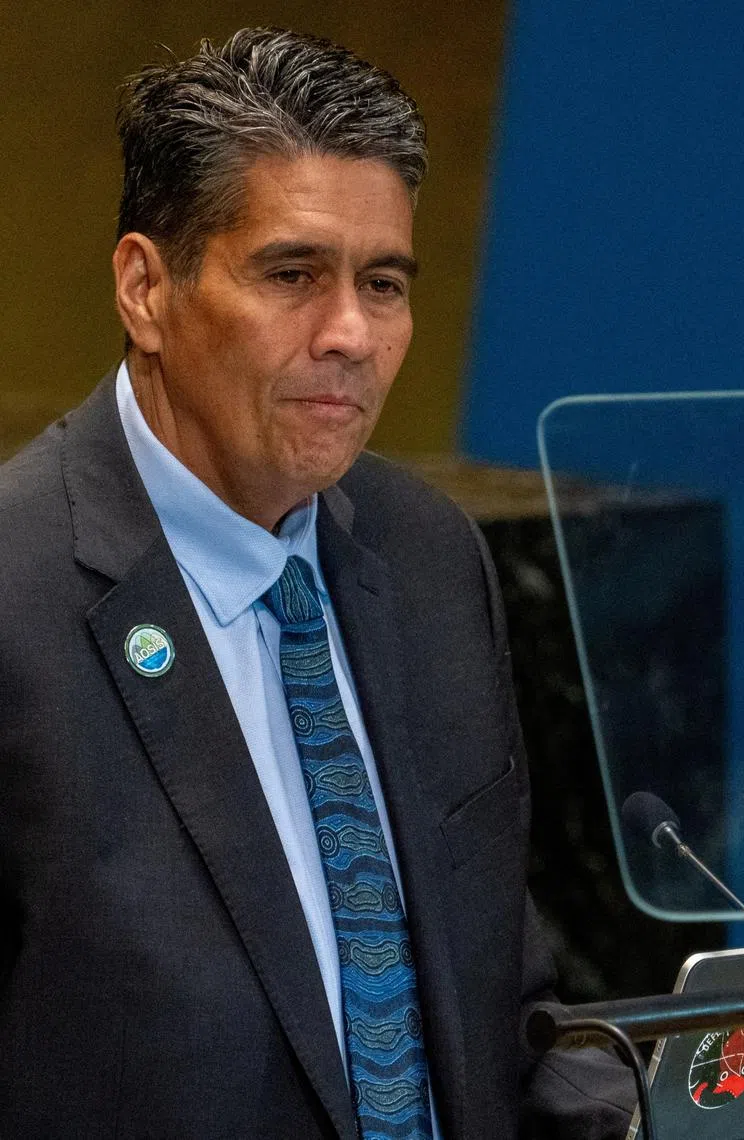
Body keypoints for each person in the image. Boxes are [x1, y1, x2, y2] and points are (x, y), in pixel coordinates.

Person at [0, 27, 633, 1140]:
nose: (349, 333)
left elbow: (499, 1019)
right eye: (292, 274)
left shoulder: (430, 559)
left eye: (381, 283)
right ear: (146, 289)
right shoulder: (15, 596)